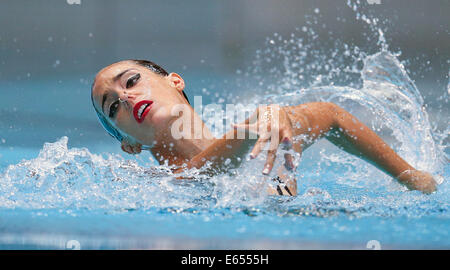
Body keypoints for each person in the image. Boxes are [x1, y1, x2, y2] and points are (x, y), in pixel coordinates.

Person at [90, 59, 437, 195]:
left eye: (132, 81)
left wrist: (410, 176)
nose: (127, 97)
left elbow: (331, 115)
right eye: (113, 107)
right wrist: (259, 122)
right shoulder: (157, 187)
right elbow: (201, 175)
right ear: (127, 143)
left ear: (176, 81)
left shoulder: (266, 143)